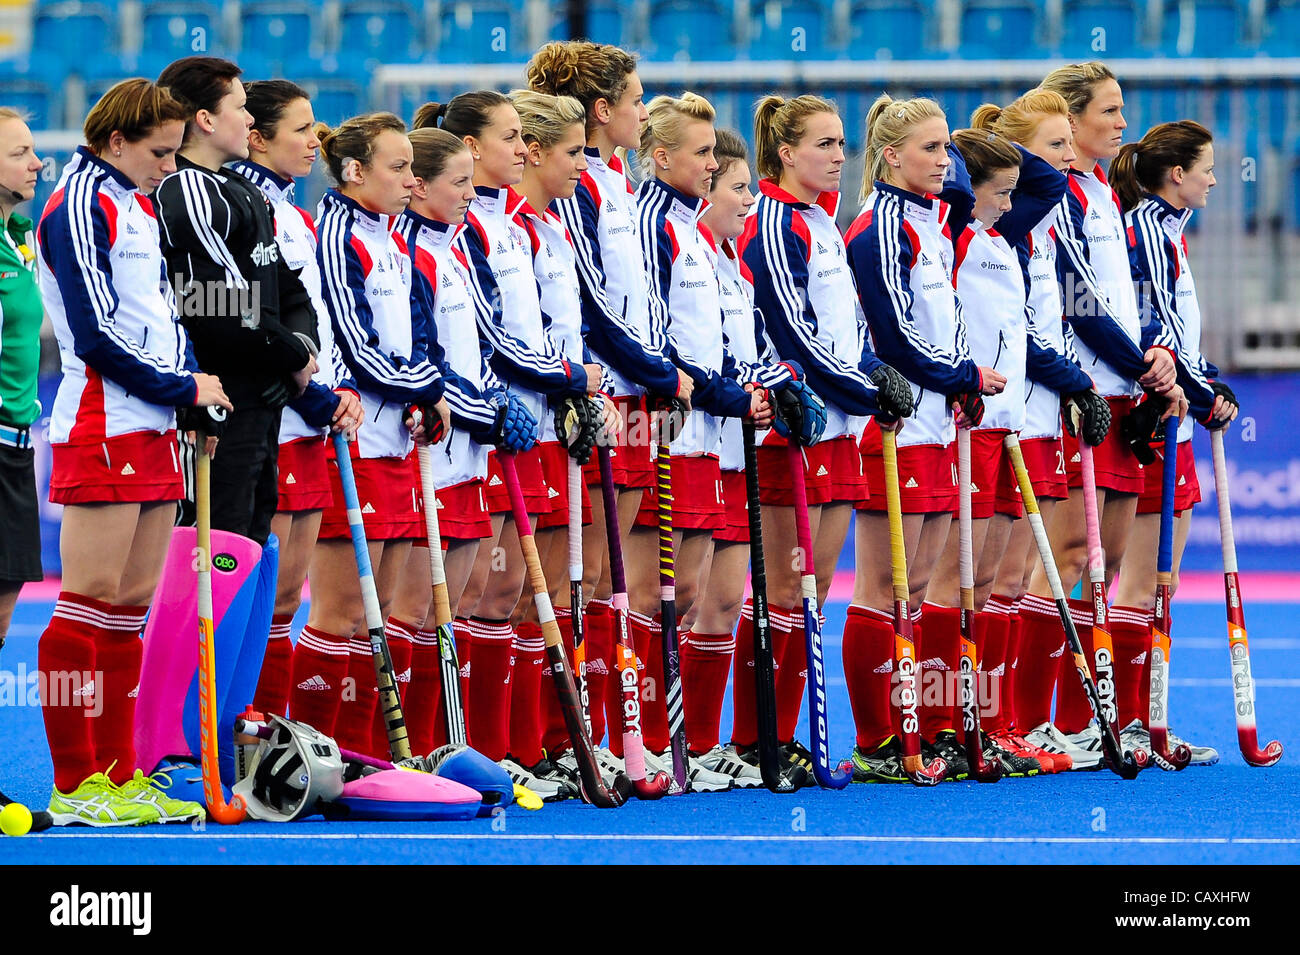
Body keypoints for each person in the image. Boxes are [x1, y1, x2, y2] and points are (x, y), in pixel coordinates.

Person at [36, 79, 231, 825]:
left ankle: (117, 774)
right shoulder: (80, 202)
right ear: (116, 141)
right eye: (159, 152)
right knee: (84, 606)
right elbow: (94, 334)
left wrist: (191, 402)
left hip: (154, 424)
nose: (169, 166)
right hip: (103, 421)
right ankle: (74, 780)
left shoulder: (138, 201)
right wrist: (182, 386)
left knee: (127, 610)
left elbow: (163, 319)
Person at [736, 93, 911, 779]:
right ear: (785, 152)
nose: (841, 157)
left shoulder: (824, 222)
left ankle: (781, 739)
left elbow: (850, 329)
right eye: (824, 144)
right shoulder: (774, 223)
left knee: (811, 589)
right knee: (783, 589)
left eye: (843, 144)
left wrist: (878, 373)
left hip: (837, 428)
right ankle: (760, 740)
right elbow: (796, 339)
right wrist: (868, 388)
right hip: (795, 429)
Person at [413, 92, 584, 796]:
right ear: (470, 148)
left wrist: (571, 387)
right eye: (510, 138)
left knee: (506, 589)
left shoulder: (510, 226)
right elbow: (492, 344)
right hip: (472, 433)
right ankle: (444, 749)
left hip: (515, 426)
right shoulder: (468, 232)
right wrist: (564, 377)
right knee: (466, 595)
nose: (523, 150)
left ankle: (508, 748)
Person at [526, 41, 693, 760]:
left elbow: (644, 299)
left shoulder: (621, 181)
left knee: (603, 576)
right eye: (634, 98)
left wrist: (661, 373)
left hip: (636, 395)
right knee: (581, 571)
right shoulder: (580, 187)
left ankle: (591, 730)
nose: (644, 109)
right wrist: (656, 372)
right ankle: (554, 736)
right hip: (602, 395)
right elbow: (593, 309)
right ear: (602, 111)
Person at [1019, 62, 1187, 766]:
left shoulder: (1101, 193)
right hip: (1082, 393)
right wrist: (1141, 362)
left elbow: (1121, 298)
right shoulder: (1059, 193)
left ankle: (1080, 718)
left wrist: (1156, 362)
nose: (1123, 125)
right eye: (1110, 111)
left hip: (1120, 391)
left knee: (1106, 562)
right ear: (1073, 117)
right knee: (1061, 560)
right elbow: (1077, 296)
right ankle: (1028, 722)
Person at [843, 94, 1007, 781]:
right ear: (889, 157)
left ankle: (925, 726)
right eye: (932, 149)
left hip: (942, 420)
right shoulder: (880, 226)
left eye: (948, 149)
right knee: (884, 583)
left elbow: (947, 325)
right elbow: (894, 334)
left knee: (924, 585)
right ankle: (879, 737)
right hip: (898, 423)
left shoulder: (931, 223)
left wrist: (961, 381)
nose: (947, 161)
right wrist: (961, 373)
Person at [634, 92, 777, 791]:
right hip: (676, 431)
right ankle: (646, 740)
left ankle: (691, 741)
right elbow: (657, 337)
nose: (739, 192)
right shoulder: (653, 225)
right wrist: (721, 394)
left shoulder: (717, 251)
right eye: (711, 163)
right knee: (668, 590)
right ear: (663, 158)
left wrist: (772, 391)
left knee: (712, 596)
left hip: (721, 438)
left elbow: (732, 348)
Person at [924, 123, 1078, 776]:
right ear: (973, 190)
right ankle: (938, 723)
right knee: (958, 579)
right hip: (971, 424)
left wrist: (989, 144)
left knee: (997, 581)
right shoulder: (956, 234)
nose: (1017, 203)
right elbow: (1034, 185)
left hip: (1009, 422)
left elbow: (1050, 185)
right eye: (1002, 192)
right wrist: (965, 149)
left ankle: (992, 721)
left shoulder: (1001, 235)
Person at [297, 112, 450, 753]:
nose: (411, 181)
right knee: (340, 615)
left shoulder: (391, 236)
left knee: (377, 617)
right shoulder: (336, 229)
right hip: (350, 441)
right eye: (398, 167)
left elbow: (418, 334)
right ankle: (314, 748)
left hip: (394, 442)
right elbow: (358, 349)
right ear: (356, 171)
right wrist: (425, 388)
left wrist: (428, 394)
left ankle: (362, 755)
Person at [970, 89, 1110, 771]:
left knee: (1022, 573)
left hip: (1037, 406)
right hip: (1012, 412)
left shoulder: (1040, 225)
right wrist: (1076, 380)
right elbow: (1025, 332)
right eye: (1055, 144)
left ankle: (1009, 721)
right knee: (1000, 575)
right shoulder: (1010, 223)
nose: (1068, 158)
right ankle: (992, 720)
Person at [390, 124, 533, 758]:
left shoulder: (451, 248)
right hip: (429, 449)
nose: (471, 194)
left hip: (467, 448)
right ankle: (408, 751)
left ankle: (454, 750)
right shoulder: (410, 251)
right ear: (419, 187)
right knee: (419, 608)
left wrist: (494, 406)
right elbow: (424, 359)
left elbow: (483, 343)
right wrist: (485, 411)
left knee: (466, 598)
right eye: (459, 183)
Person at [230, 79, 363, 718]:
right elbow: (251, 322)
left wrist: (332, 392)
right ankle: (229, 736)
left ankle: (275, 733)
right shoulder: (240, 204)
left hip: (312, 419)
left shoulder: (294, 211)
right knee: (253, 596)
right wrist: (310, 395)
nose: (317, 141)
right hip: (271, 421)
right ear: (256, 137)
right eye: (302, 129)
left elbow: (312, 319)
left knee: (285, 600)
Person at [1109, 119, 1234, 765]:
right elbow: (1154, 332)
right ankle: (1127, 723)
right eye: (1207, 166)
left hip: (1176, 411)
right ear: (1176, 173)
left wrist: (1207, 381)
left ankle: (1148, 720)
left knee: (1164, 579)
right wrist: (1204, 393)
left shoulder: (1168, 234)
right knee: (1140, 579)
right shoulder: (1148, 233)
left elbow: (1177, 338)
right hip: (1152, 415)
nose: (1216, 177)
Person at [153, 57, 318, 547]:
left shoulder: (241, 187)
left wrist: (301, 349)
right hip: (222, 405)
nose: (249, 119)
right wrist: (291, 357)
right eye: (241, 108)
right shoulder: (187, 189)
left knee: (251, 546)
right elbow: (220, 305)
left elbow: (288, 287)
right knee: (216, 554)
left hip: (262, 396)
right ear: (204, 120)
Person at [0, 107, 51, 827]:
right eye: (20, 152)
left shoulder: (16, 240)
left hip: (15, 446)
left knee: (3, 618)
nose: (37, 163)